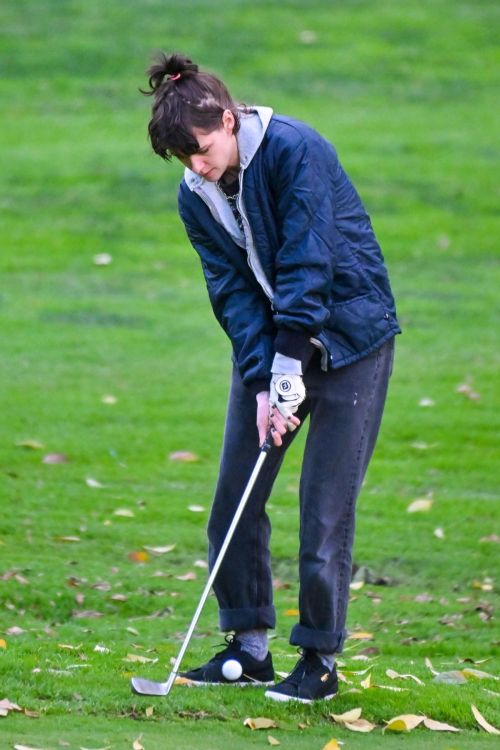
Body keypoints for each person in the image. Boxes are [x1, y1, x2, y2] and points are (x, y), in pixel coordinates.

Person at [141, 53, 401, 703]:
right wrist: (264, 381)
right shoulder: (195, 193)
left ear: (228, 121)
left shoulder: (295, 150)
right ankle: (247, 648)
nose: (196, 166)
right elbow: (230, 290)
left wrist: (292, 363)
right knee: (235, 498)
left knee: (324, 512)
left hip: (348, 343)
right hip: (274, 352)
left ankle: (318, 660)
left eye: (201, 150)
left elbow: (309, 258)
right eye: (184, 160)